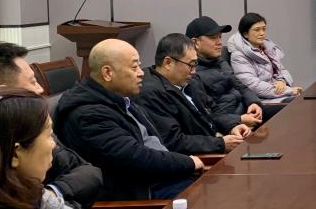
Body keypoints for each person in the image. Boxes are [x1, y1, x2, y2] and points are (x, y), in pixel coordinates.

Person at [0, 41, 103, 209]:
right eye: (33, 82)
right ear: (3, 93)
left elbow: (88, 173)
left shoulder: (34, 128)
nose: (40, 89)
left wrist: (53, 193)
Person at [55, 39, 204, 200]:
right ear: (107, 73)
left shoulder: (118, 97)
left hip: (159, 179)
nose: (141, 73)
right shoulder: (88, 114)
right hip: (139, 195)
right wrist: (187, 162)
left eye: (139, 66)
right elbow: (136, 158)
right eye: (134, 67)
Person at [136, 34, 251, 156]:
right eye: (191, 65)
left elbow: (213, 111)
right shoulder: (150, 93)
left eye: (195, 64)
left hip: (213, 143)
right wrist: (220, 144)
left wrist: (232, 126)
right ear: (168, 62)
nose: (194, 71)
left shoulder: (191, 80)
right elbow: (174, 141)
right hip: (196, 157)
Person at [185, 16, 263, 130]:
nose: (220, 42)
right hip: (229, 126)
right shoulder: (190, 73)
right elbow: (208, 114)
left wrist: (253, 103)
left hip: (246, 113)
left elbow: (241, 87)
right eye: (213, 38)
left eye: (220, 37)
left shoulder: (220, 62)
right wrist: (240, 119)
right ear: (195, 42)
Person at [227, 12, 302, 116]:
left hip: (276, 95)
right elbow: (253, 86)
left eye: (264, 29)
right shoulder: (238, 56)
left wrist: (282, 81)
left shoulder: (266, 49)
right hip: (260, 102)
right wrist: (288, 90)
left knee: (305, 101)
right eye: (257, 30)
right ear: (245, 34)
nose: (262, 33)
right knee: (299, 105)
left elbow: (282, 70)